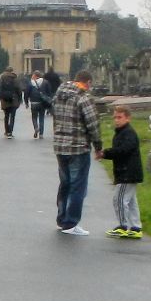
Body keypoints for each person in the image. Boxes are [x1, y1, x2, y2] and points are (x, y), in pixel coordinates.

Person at [52, 69, 102, 235]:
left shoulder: (59, 95)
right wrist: (98, 146)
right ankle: (71, 223)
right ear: (88, 82)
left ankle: (62, 219)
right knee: (77, 186)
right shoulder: (83, 97)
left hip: (60, 146)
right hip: (78, 147)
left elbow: (55, 116)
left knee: (65, 184)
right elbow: (93, 123)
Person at [100, 104, 145, 238]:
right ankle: (136, 227)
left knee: (119, 199)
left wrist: (105, 153)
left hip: (127, 173)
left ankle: (123, 226)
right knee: (131, 201)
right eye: (115, 117)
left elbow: (123, 150)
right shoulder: (121, 133)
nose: (116, 120)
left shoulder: (128, 133)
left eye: (119, 117)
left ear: (128, 118)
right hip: (127, 172)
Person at [0, 67, 24, 138]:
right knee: (12, 116)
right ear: (12, 71)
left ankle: (6, 131)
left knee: (6, 116)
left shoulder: (2, 79)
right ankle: (10, 132)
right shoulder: (15, 79)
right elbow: (19, 90)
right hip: (14, 99)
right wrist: (20, 99)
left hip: (4, 100)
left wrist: (0, 97)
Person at [26, 69, 53, 138]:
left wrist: (26, 102)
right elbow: (49, 93)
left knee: (34, 117)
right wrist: (49, 100)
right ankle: (41, 134)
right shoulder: (45, 82)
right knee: (41, 118)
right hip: (42, 103)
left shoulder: (30, 83)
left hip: (33, 103)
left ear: (35, 75)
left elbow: (26, 93)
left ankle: (36, 128)